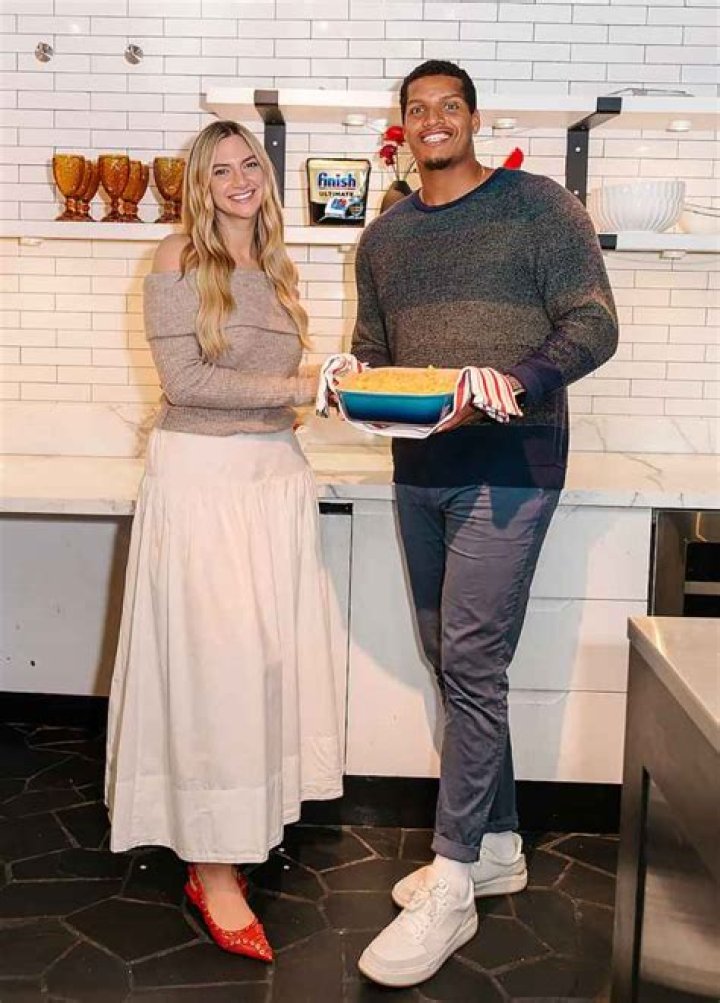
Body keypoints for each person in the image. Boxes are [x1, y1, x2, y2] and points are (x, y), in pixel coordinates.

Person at [352, 60, 618, 988]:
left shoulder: (539, 207)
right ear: (403, 127)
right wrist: (349, 381)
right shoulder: (384, 237)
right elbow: (378, 350)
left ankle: (453, 880)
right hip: (420, 467)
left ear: (473, 118)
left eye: (450, 107)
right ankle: (498, 842)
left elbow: (593, 323)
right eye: (417, 109)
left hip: (512, 465)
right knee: (451, 657)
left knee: (469, 661)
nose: (434, 120)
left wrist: (515, 381)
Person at [104, 120, 343, 962]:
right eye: (220, 170)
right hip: (204, 485)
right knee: (216, 671)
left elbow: (267, 390)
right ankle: (209, 868)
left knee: (264, 666)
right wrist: (306, 385)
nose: (240, 180)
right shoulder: (178, 256)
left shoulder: (277, 266)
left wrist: (320, 396)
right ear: (197, 185)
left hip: (271, 480)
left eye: (251, 165)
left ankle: (242, 823)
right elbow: (187, 381)